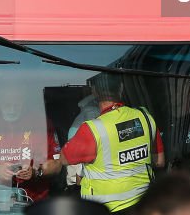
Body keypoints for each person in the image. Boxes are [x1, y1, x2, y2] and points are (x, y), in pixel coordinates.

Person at [41, 73, 162, 212]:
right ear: (121, 88)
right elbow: (159, 162)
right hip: (143, 204)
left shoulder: (92, 129)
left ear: (94, 92)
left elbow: (64, 158)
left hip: (106, 209)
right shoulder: (145, 117)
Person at [0, 83, 61, 202]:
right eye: (7, 104)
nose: (12, 109)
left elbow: (57, 165)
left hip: (35, 202)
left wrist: (35, 171)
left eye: (17, 104)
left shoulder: (41, 122)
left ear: (24, 100)